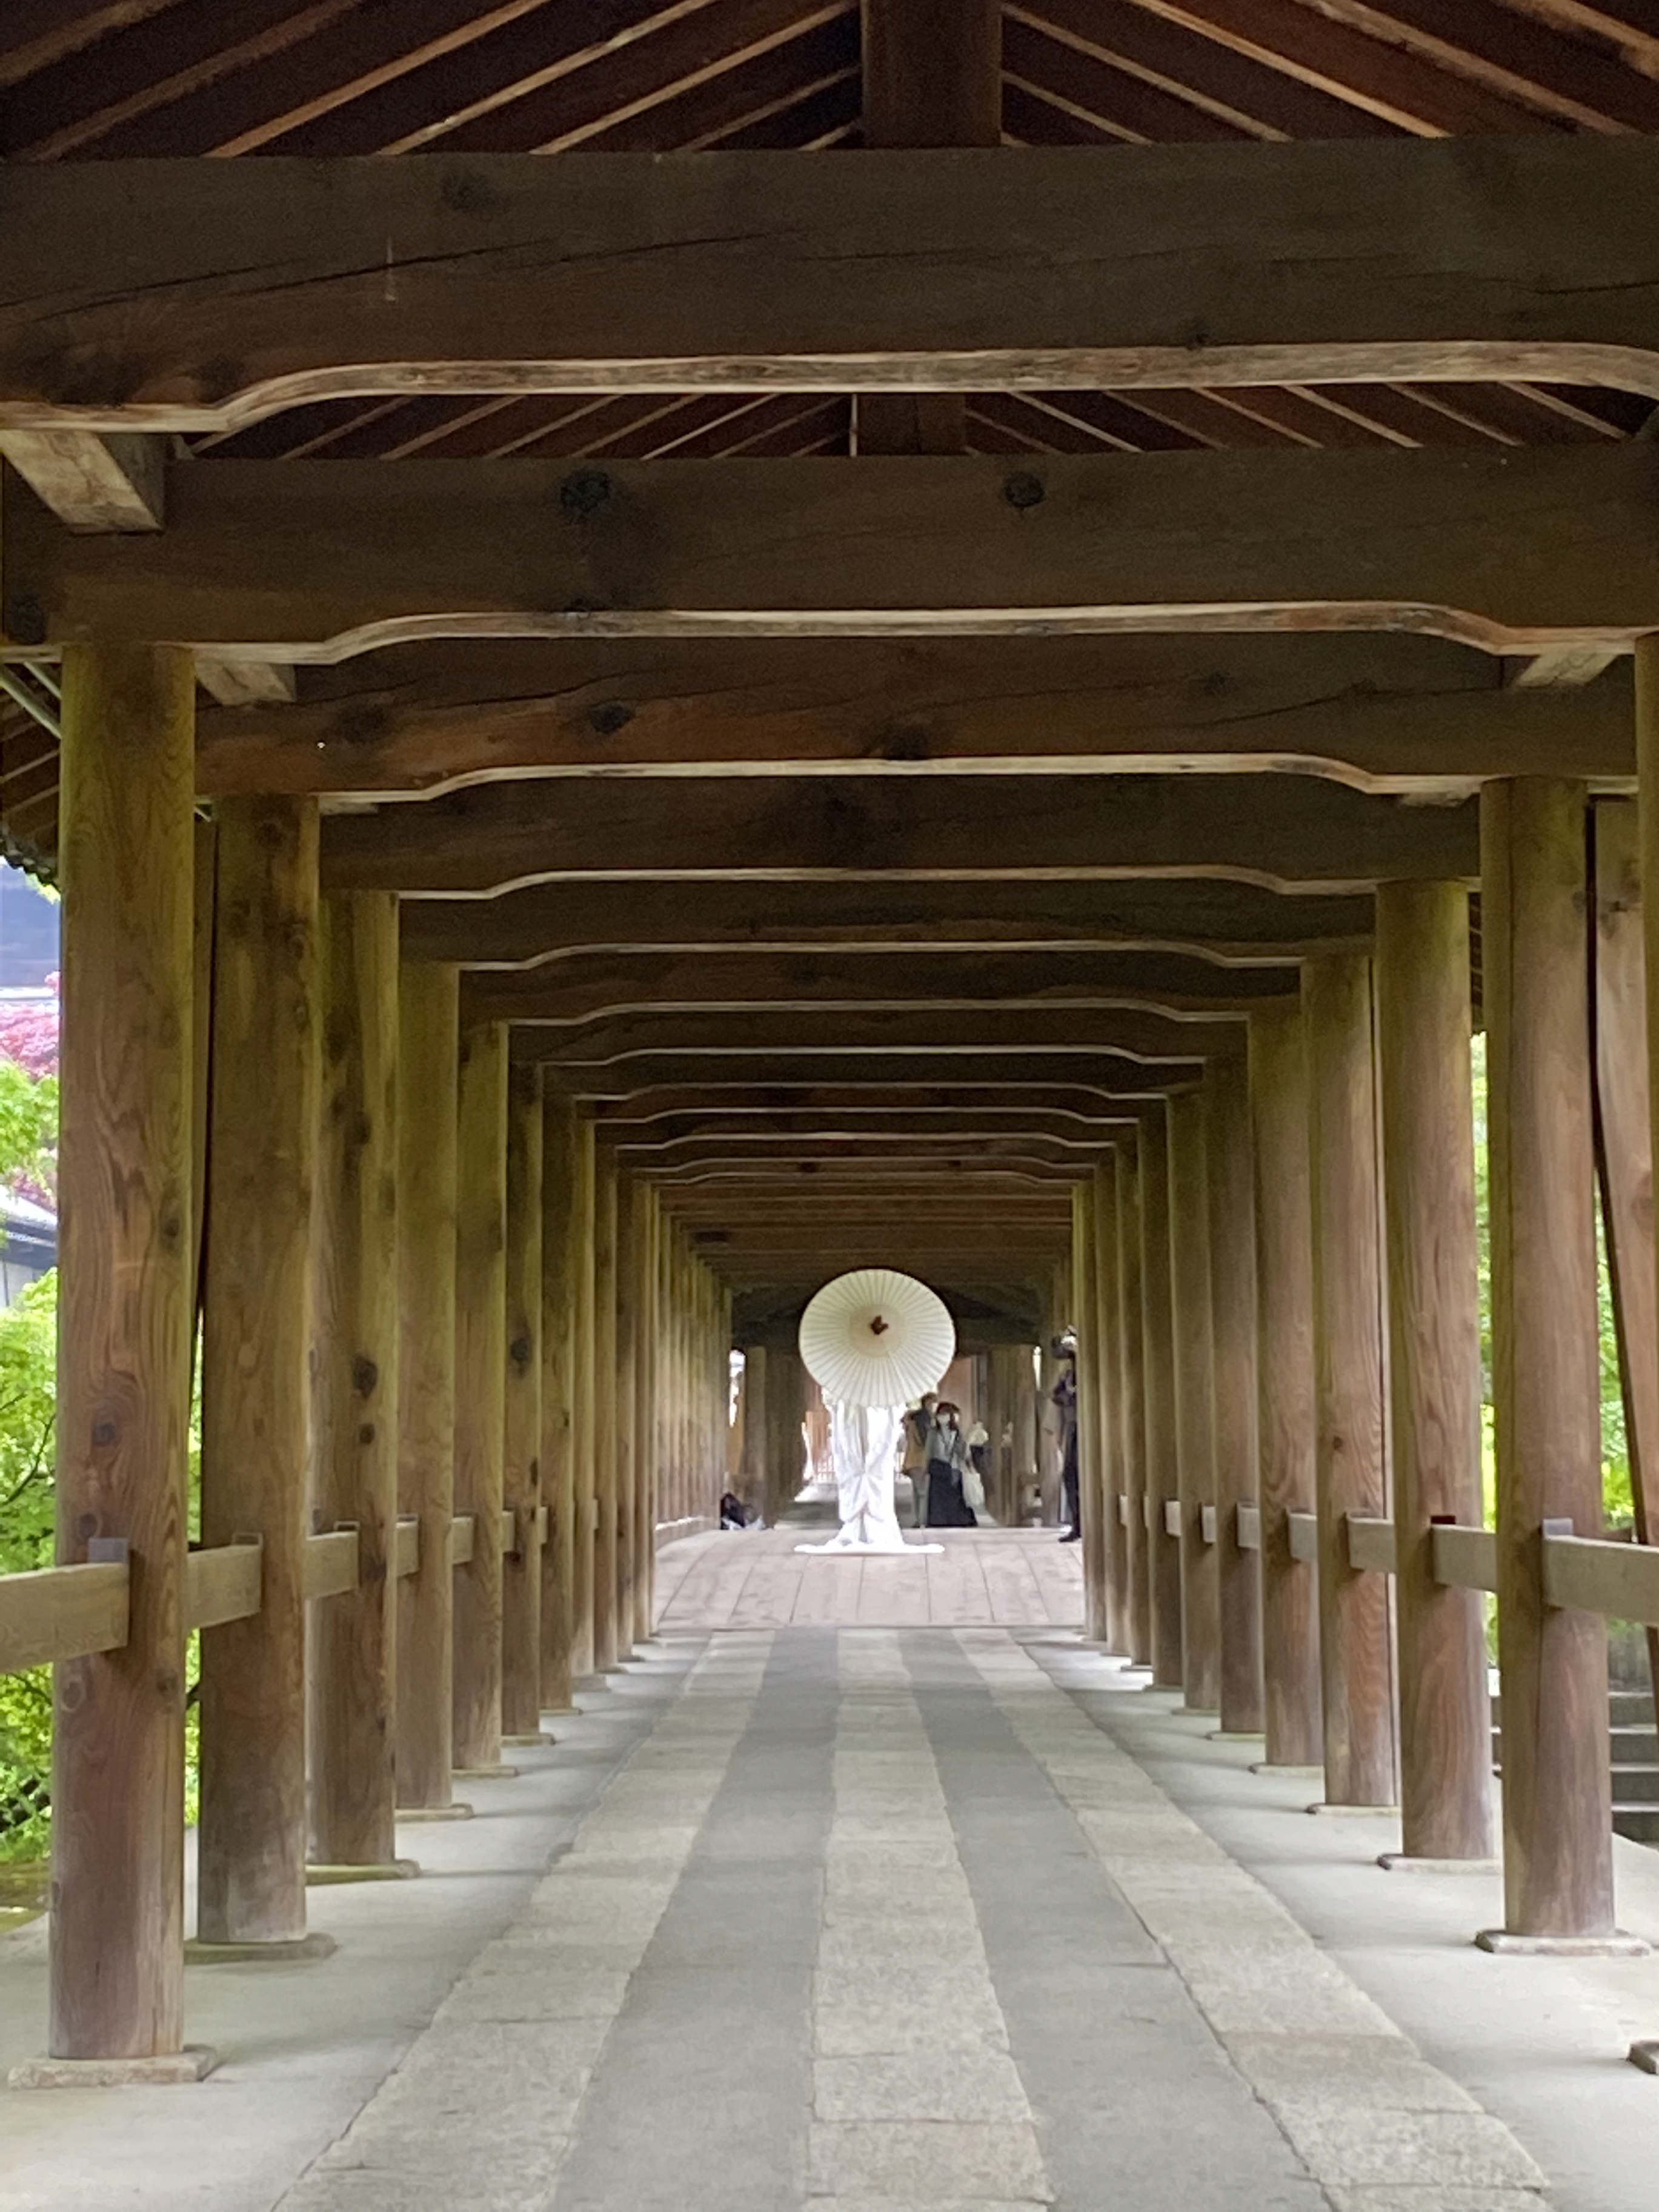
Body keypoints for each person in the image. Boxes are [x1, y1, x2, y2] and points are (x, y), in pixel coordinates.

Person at [924, 1401, 977, 1528]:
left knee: (954, 1497)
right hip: (938, 1468)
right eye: (941, 1414)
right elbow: (928, 1452)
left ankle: (956, 1520)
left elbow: (964, 1452)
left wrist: (969, 1465)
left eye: (946, 1414)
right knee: (938, 1499)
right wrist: (926, 1468)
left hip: (954, 1469)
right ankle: (938, 1521)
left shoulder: (958, 1433)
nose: (943, 1417)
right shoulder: (933, 1432)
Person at [1051, 1330, 1081, 1543]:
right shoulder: (1069, 1373)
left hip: (1089, 1425)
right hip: (1073, 1424)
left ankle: (1084, 1523)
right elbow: (1057, 1395)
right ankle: (1077, 1523)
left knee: (1083, 1476)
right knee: (1070, 1475)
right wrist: (1069, 1394)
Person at [900, 1391, 938, 1529]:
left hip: (912, 1460)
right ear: (927, 1403)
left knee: (917, 1491)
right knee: (923, 1492)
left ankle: (918, 1519)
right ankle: (922, 1520)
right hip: (921, 1459)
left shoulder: (913, 1419)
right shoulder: (924, 1420)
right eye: (933, 1402)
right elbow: (925, 1441)